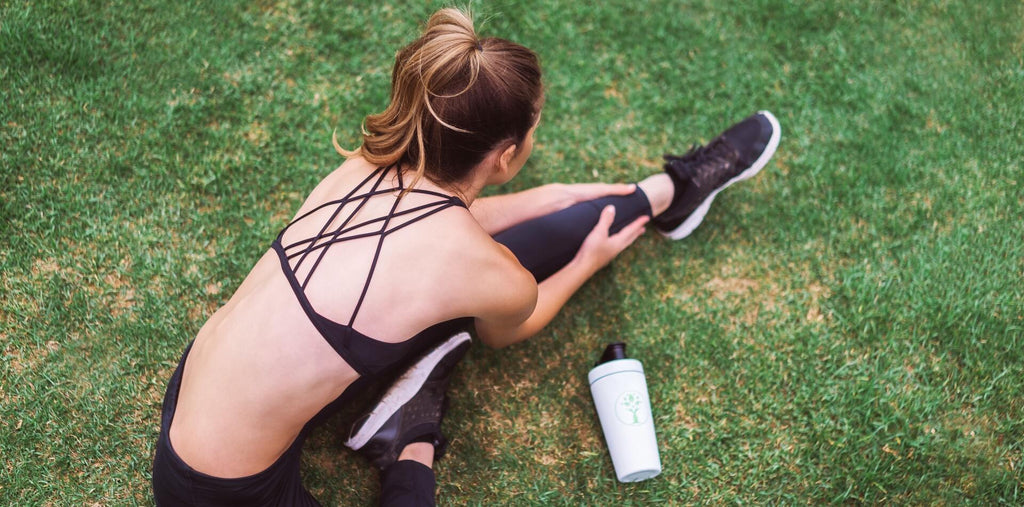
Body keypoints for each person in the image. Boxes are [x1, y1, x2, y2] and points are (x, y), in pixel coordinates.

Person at [150, 7, 780, 506]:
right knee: (463, 315)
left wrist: (556, 195)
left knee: (448, 290)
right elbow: (515, 323)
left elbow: (449, 224)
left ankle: (665, 194)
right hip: (216, 490)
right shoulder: (483, 271)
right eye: (534, 130)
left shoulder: (364, 167)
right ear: (505, 155)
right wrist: (588, 259)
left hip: (201, 400)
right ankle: (410, 439)